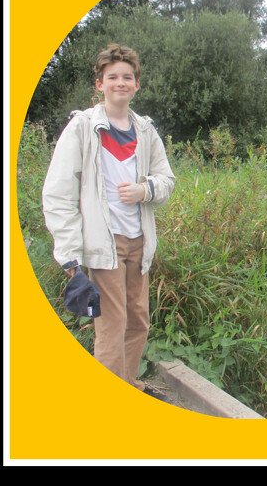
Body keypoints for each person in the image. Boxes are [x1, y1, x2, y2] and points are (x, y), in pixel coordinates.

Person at [42, 44, 176, 391]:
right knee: (112, 326)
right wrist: (71, 260)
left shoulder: (145, 131)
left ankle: (127, 386)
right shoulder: (82, 127)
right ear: (99, 84)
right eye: (112, 77)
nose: (121, 82)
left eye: (127, 77)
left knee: (138, 323)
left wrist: (144, 190)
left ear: (137, 84)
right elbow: (58, 195)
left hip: (139, 243)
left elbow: (167, 180)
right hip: (105, 244)